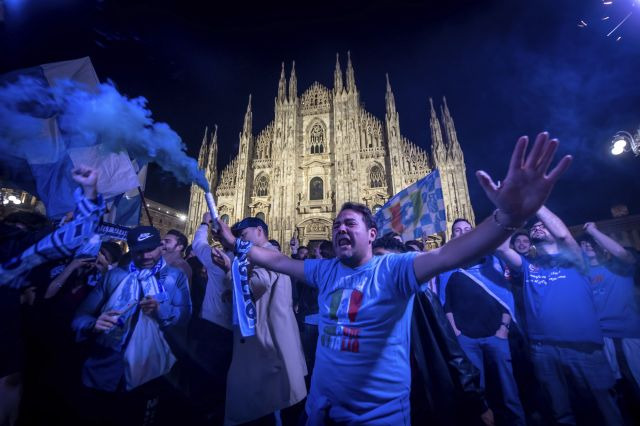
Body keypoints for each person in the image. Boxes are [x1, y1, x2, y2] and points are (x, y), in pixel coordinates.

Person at [213, 132, 572, 424]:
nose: (339, 229)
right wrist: (234, 244)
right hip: (321, 410)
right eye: (337, 225)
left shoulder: (395, 270)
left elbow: (451, 253)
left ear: (371, 234)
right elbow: (275, 259)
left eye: (349, 224)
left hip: (378, 415)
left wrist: (506, 216)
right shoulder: (326, 270)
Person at [497, 206, 624, 425]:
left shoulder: (576, 259)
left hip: (583, 348)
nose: (537, 227)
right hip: (543, 349)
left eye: (542, 225)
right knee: (560, 412)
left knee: (603, 408)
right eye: (534, 227)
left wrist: (536, 204)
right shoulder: (529, 266)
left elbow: (564, 235)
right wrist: (508, 209)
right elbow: (501, 248)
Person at [72, 225, 191, 426]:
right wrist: (93, 324)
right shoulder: (115, 276)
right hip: (104, 367)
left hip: (148, 371)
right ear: (132, 249)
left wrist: (161, 311)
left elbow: (185, 316)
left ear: (160, 247)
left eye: (151, 249)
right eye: (139, 250)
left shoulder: (174, 277)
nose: (146, 256)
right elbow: (80, 316)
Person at [440, 219, 525, 425]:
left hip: (496, 336)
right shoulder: (447, 267)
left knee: (508, 388)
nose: (462, 233)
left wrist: (503, 329)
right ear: (452, 235)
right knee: (478, 390)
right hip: (467, 339)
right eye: (457, 230)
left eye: (467, 229)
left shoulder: (492, 261)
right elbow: (446, 303)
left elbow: (506, 297)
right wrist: (457, 332)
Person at [224, 217, 307, 425]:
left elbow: (252, 288)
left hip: (267, 345)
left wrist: (228, 268)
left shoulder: (267, 257)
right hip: (273, 343)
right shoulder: (271, 256)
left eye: (244, 235)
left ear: (259, 231)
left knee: (266, 408)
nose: (241, 240)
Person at [580, 222, 640, 402]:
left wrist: (593, 231)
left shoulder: (618, 266)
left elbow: (623, 254)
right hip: (601, 338)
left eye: (593, 242)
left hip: (630, 333)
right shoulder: (580, 275)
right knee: (615, 390)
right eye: (584, 243)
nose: (589, 245)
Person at [190, 213, 233, 425]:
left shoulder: (214, 256)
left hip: (211, 325)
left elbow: (197, 244)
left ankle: (203, 413)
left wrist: (204, 223)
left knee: (204, 375)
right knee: (225, 377)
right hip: (235, 331)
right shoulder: (247, 260)